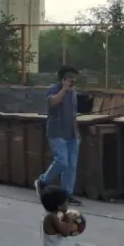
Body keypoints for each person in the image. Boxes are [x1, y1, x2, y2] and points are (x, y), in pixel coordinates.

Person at [34, 65, 82, 207]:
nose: (72, 80)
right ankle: (43, 181)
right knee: (62, 161)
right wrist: (63, 90)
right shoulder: (53, 89)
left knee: (71, 166)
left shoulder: (73, 93)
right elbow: (53, 103)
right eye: (70, 77)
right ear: (63, 78)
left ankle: (67, 194)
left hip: (72, 133)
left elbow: (73, 113)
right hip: (57, 131)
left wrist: (77, 134)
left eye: (74, 77)